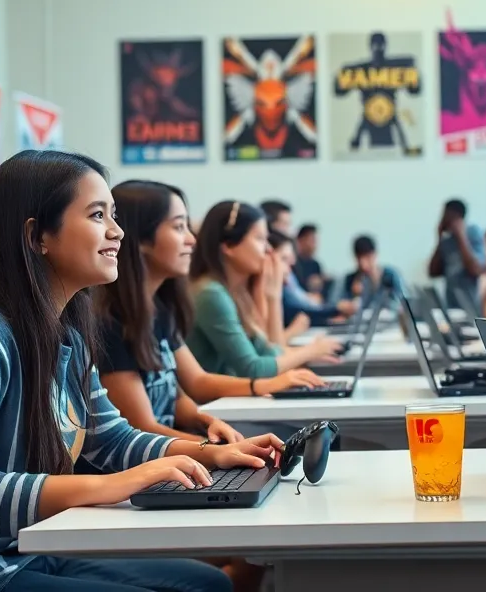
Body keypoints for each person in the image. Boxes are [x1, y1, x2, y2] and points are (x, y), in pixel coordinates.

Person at [0, 151, 279, 592]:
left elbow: (112, 440)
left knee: (209, 584)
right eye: (97, 215)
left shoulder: (65, 334)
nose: (117, 231)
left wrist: (210, 453)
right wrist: (110, 485)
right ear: (37, 236)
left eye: (114, 215)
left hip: (26, 550)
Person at [95, 180, 326, 444]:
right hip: (153, 457)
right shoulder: (111, 320)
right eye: (178, 227)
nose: (191, 239)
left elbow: (185, 390)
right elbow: (142, 428)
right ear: (140, 239)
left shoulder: (158, 308)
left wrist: (207, 423)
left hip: (172, 448)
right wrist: (218, 448)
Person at [185, 201, 343, 379]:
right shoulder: (211, 294)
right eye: (260, 239)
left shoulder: (235, 292)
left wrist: (310, 352)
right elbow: (253, 368)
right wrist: (309, 351)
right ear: (228, 246)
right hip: (222, 396)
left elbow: (267, 351)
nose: (268, 249)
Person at [270, 230, 353, 337]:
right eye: (284, 259)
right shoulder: (280, 289)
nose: (290, 267)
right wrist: (335, 310)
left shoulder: (312, 266)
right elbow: (298, 312)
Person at [428, 198, 486, 314]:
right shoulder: (447, 240)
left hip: (472, 307)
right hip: (451, 307)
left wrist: (461, 236)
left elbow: (476, 270)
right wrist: (439, 238)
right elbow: (433, 272)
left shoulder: (473, 233)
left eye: (446, 215)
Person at [342, 235, 404, 308]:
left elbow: (402, 302)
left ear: (375, 255)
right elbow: (337, 304)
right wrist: (353, 297)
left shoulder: (390, 276)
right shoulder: (350, 280)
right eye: (359, 259)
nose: (364, 265)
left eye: (367, 258)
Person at [293, 224, 329, 297]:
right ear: (301, 240)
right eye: (312, 241)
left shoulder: (316, 265)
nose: (315, 245)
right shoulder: (293, 263)